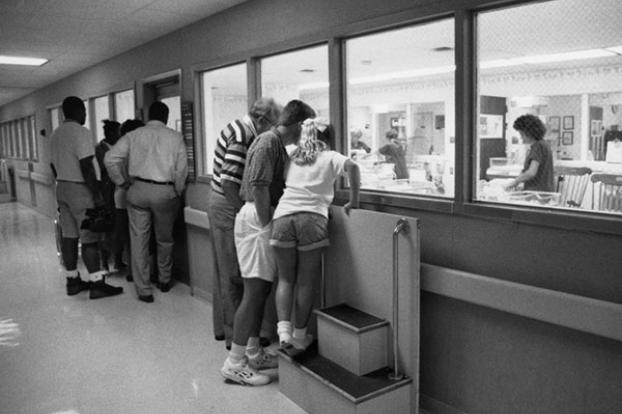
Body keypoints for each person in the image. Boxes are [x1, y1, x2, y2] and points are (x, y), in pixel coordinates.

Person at [220, 99, 316, 386]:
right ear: (299, 124)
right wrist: (268, 224)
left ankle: (252, 352)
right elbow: (259, 186)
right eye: (307, 128)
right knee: (254, 291)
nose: (307, 134)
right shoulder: (267, 142)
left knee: (260, 291)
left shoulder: (276, 144)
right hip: (257, 218)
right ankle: (234, 363)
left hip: (261, 216)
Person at [271, 118, 360, 354]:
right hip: (312, 219)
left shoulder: (291, 154)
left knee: (285, 279)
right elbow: (354, 167)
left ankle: (283, 333)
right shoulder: (331, 156)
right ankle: (300, 336)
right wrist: (355, 200)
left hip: (282, 217)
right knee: (305, 282)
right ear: (328, 138)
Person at [207, 98, 281, 350]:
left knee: (228, 271)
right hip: (227, 204)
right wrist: (243, 214)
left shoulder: (243, 128)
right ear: (261, 120)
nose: (273, 131)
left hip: (224, 202)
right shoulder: (242, 135)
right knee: (235, 274)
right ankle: (236, 338)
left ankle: (231, 330)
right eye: (273, 124)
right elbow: (229, 182)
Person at [104, 102, 188, 303]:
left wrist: (122, 181)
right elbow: (181, 168)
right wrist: (177, 190)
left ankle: (144, 290)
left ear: (149, 116)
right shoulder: (175, 137)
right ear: (166, 117)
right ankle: (164, 280)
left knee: (138, 240)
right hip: (164, 191)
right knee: (164, 239)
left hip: (138, 190)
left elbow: (110, 159)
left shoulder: (133, 135)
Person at [51, 96, 124, 299]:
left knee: (69, 236)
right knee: (89, 237)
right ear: (78, 111)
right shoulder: (81, 132)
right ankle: (97, 283)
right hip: (80, 189)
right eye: (83, 111)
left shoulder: (56, 133)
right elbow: (86, 165)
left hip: (62, 186)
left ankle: (72, 281)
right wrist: (97, 195)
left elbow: (52, 165)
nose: (85, 115)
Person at [114, 119, 145, 282]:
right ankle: (137, 272)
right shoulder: (133, 152)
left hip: (123, 197)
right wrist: (127, 183)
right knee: (137, 238)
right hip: (129, 197)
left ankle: (134, 272)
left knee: (131, 238)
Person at [95, 120, 122, 272]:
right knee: (106, 228)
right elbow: (102, 172)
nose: (120, 135)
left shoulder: (118, 147)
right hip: (106, 193)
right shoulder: (100, 150)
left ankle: (118, 261)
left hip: (117, 192)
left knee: (118, 228)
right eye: (118, 132)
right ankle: (104, 263)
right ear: (110, 133)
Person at [505, 114, 554, 192]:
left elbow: (531, 172)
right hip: (543, 191)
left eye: (521, 134)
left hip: (538, 193)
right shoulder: (543, 144)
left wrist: (516, 181)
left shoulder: (538, 146)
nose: (521, 137)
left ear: (529, 132)